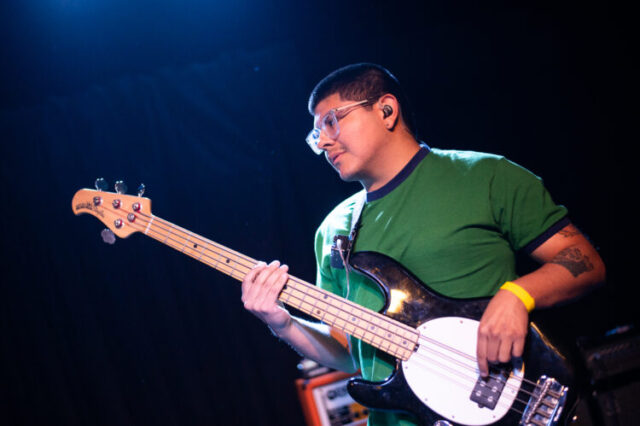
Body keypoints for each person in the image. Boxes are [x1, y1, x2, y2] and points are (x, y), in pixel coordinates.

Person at [240, 63, 605, 425]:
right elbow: (348, 351)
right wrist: (282, 323)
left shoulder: (486, 176)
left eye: (332, 121)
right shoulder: (333, 231)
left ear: (386, 110)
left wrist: (517, 296)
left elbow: (585, 263)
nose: (322, 142)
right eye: (316, 133)